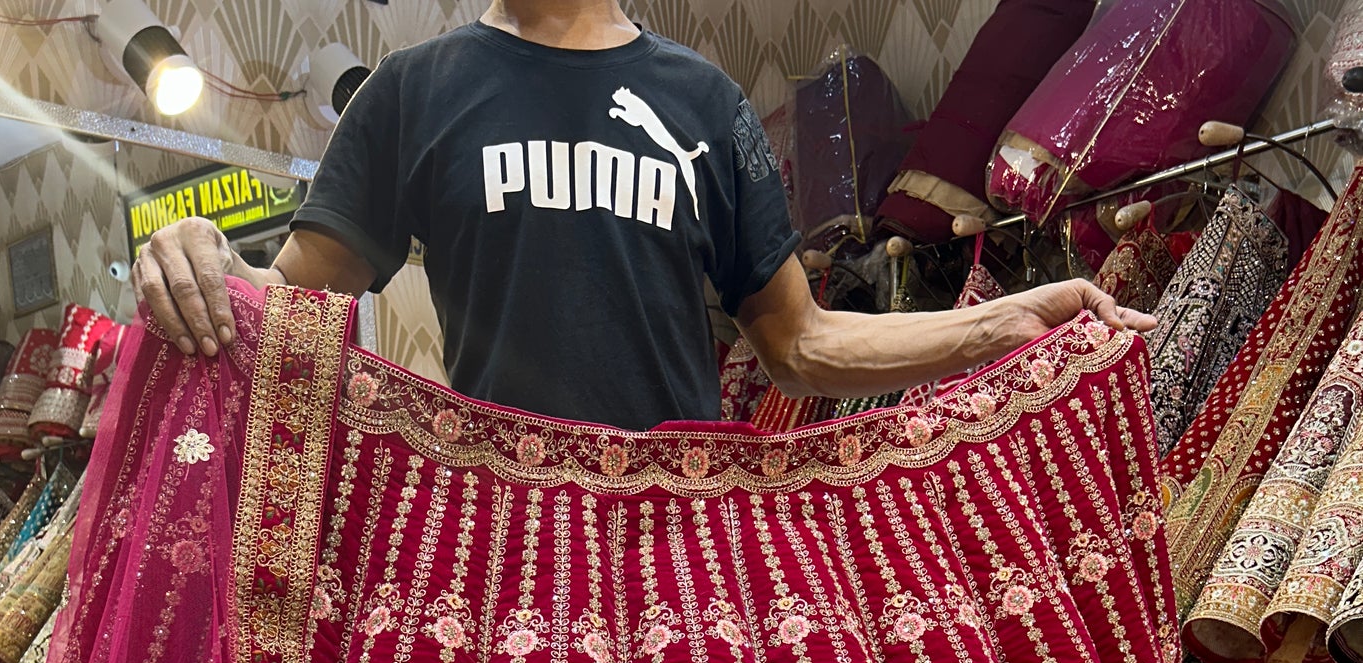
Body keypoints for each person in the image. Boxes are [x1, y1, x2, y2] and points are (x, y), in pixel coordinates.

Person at [134, 0, 1153, 430]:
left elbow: (799, 344)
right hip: (509, 550)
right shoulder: (409, 95)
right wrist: (195, 254)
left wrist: (1007, 324)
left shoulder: (701, 102)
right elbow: (286, 312)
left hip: (681, 539)